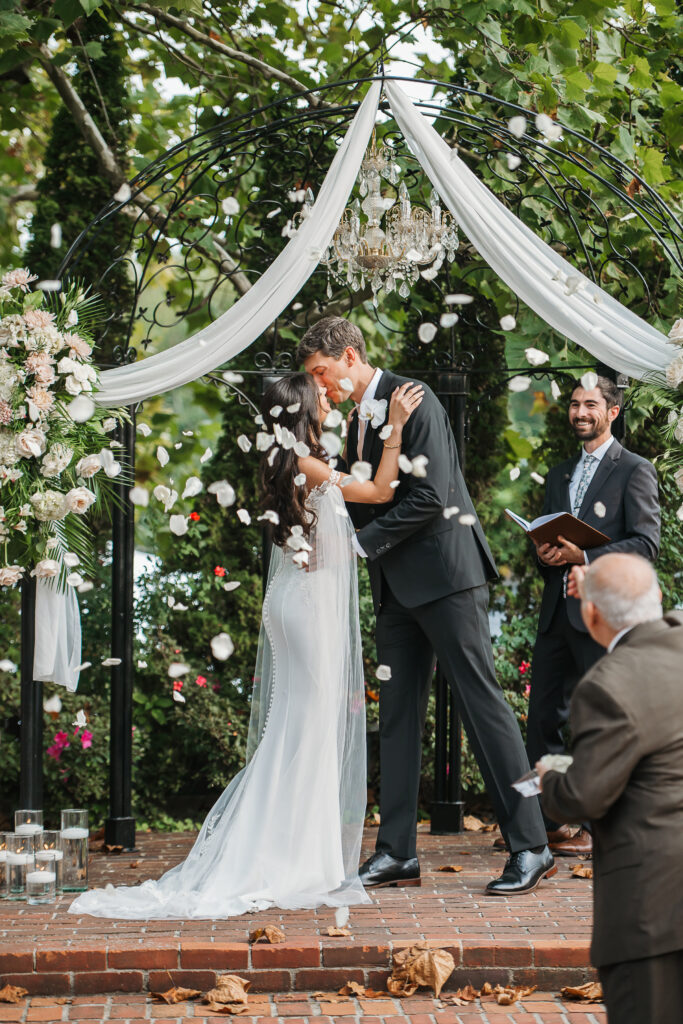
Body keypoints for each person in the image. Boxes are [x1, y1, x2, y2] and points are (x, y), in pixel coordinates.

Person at [68, 372, 422, 919]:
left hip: (292, 598)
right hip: (306, 605)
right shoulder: (308, 466)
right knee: (308, 727)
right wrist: (394, 429)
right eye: (320, 396)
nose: (328, 398)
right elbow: (378, 492)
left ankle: (295, 851)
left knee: (297, 725)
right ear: (304, 411)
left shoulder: (288, 462)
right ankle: (291, 859)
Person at [297, 316, 554, 896]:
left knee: (482, 707)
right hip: (395, 591)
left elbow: (432, 498)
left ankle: (532, 845)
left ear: (351, 355)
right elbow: (372, 495)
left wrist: (359, 545)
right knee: (396, 717)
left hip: (446, 579)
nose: (322, 385)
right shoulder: (361, 422)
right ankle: (396, 853)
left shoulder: (415, 400)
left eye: (323, 371)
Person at [537, 553, 683, 1024]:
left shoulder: (607, 685)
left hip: (654, 909)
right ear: (657, 598)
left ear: (591, 613)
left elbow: (581, 796)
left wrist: (548, 778)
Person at [527, 376, 660, 858]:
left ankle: (591, 821)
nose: (580, 412)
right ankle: (547, 821)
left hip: (602, 617)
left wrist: (582, 557)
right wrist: (545, 552)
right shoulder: (560, 472)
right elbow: (546, 547)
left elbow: (646, 545)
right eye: (574, 404)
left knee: (596, 719)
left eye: (590, 405)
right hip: (555, 615)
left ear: (613, 411)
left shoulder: (635, 470)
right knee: (543, 719)